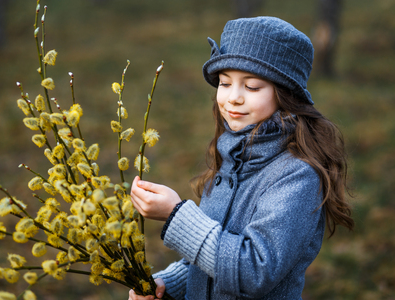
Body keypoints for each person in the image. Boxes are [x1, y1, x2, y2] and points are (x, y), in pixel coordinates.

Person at [129, 16, 354, 300]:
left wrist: (176, 214)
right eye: (225, 83)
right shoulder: (232, 158)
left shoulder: (297, 176)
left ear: (285, 94)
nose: (233, 97)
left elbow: (254, 271)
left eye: (252, 87)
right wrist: (167, 284)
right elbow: (214, 253)